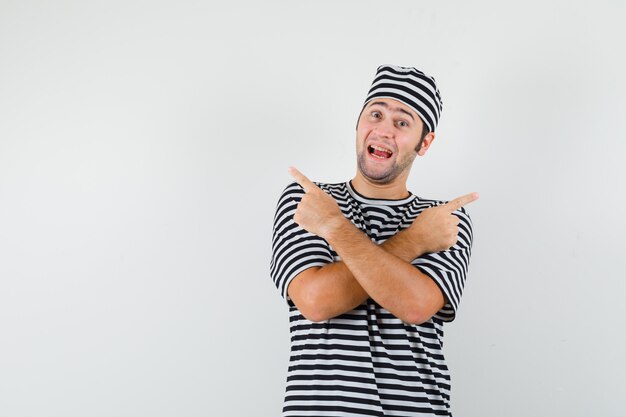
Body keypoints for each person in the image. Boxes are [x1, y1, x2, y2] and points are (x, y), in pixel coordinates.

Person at [270, 64, 478, 417]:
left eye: (402, 122)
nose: (383, 130)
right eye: (376, 114)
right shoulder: (308, 200)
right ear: (358, 124)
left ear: (424, 142)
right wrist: (413, 242)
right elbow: (316, 301)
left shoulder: (443, 219)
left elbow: (415, 305)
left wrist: (333, 229)